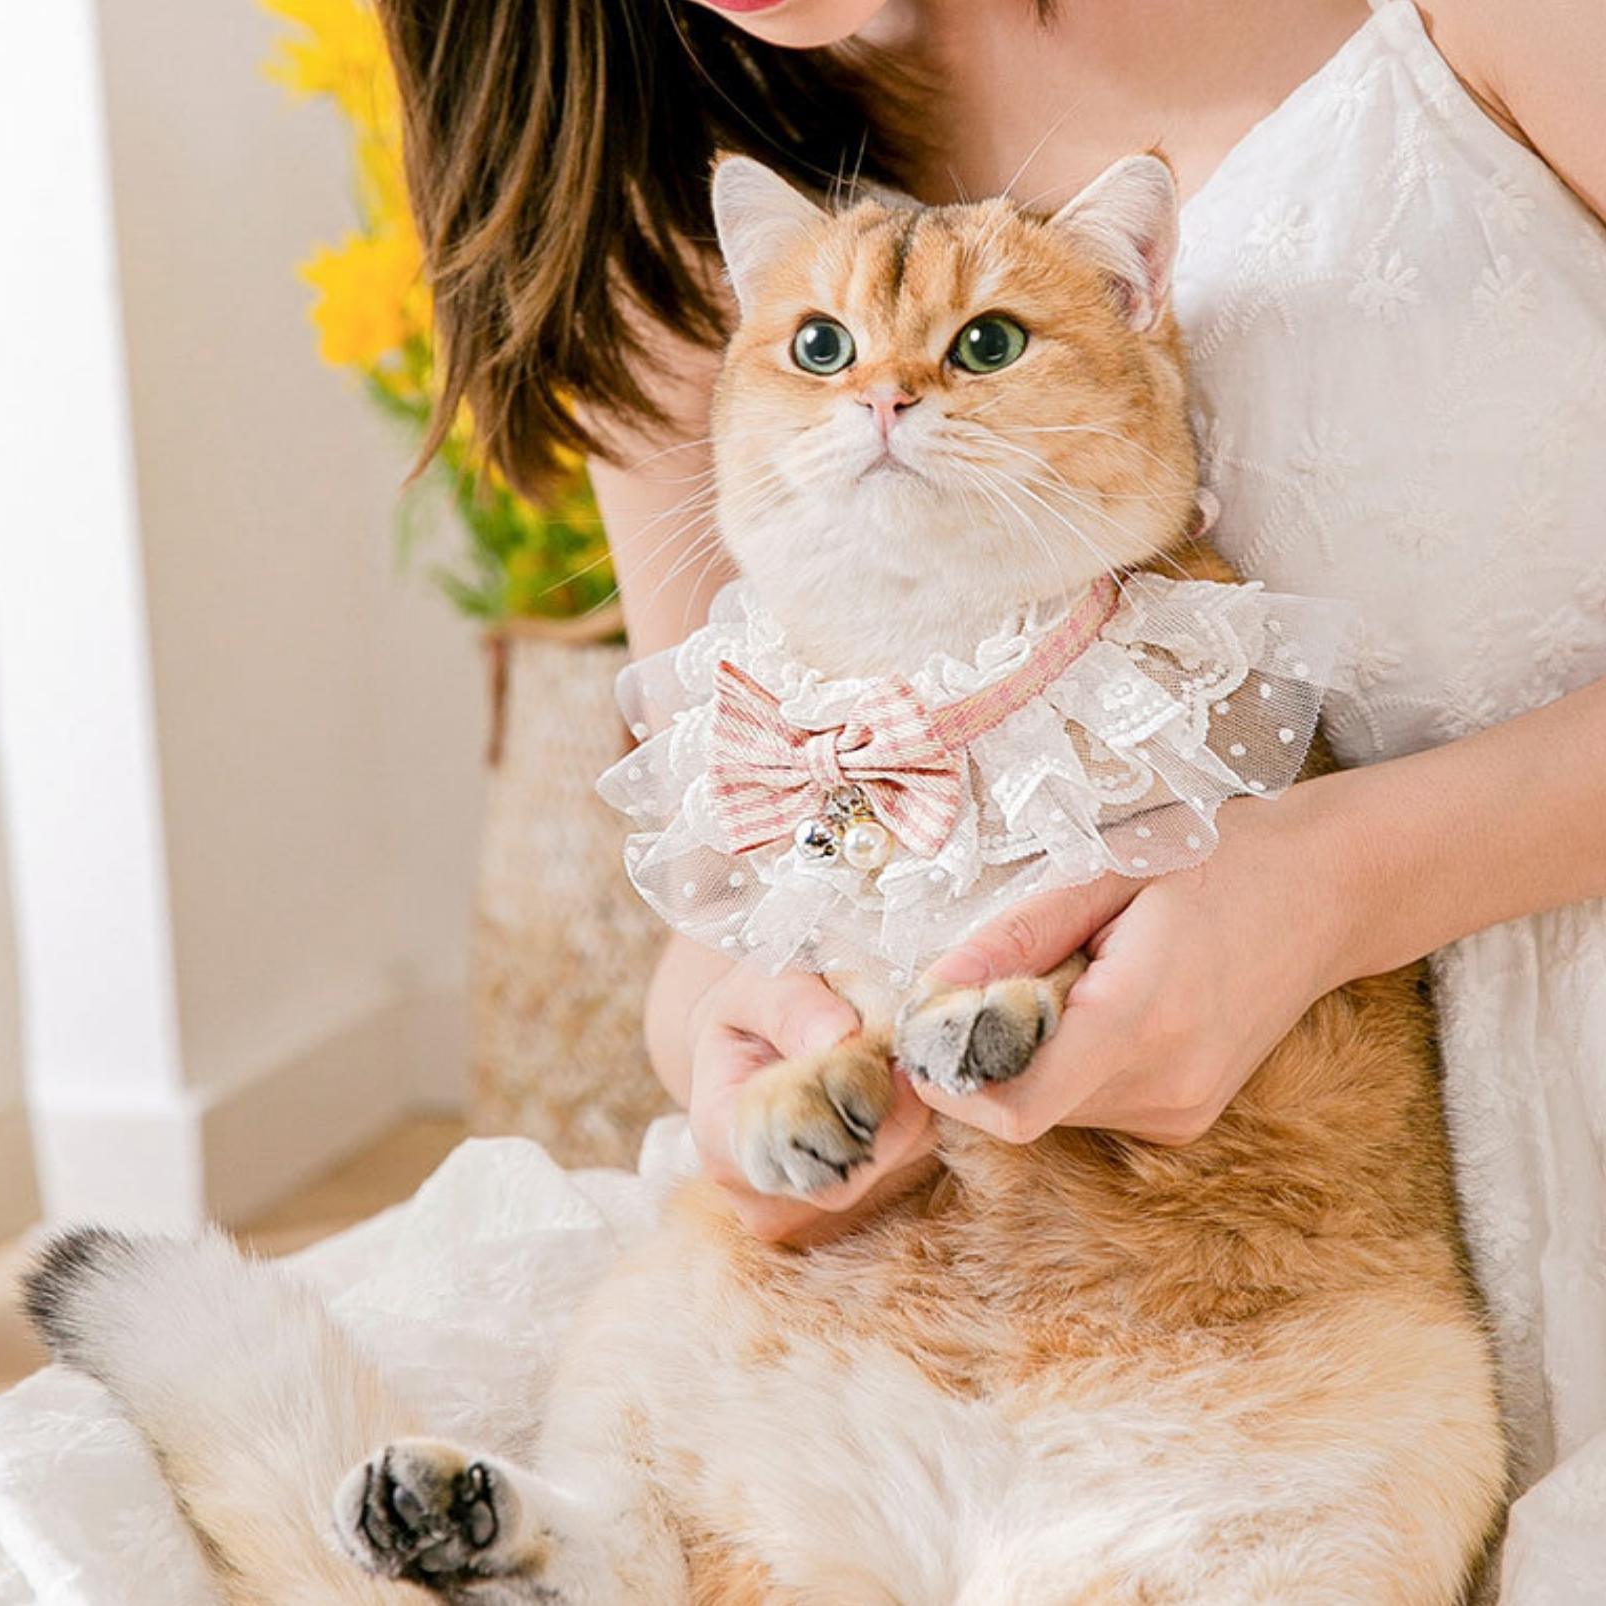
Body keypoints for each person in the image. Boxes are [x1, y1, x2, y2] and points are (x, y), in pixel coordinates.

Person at [378, 0, 1606, 1592]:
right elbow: (736, 868)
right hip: (962, 1317)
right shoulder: (661, 186)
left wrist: (1334, 883)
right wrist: (743, 1044)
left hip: (1431, 1219)